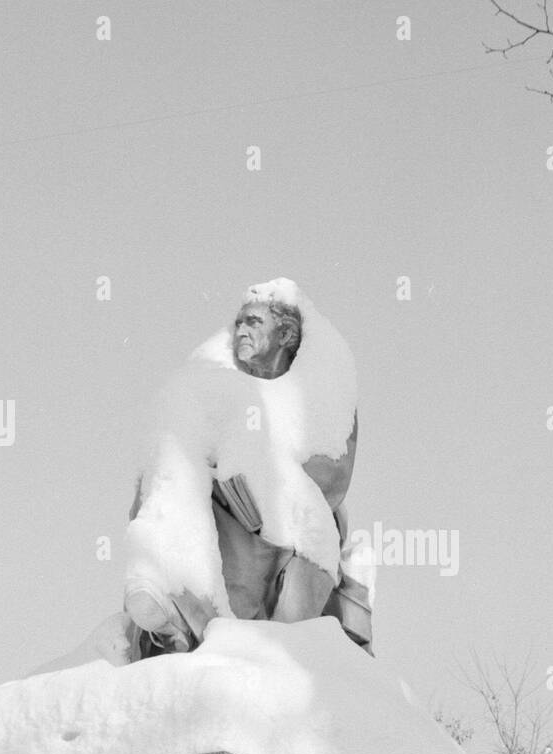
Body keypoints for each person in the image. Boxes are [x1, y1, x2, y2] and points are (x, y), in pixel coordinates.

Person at [124, 281, 371, 656]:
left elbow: (330, 479)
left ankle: (194, 615)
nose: (241, 331)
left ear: (285, 333)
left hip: (296, 522)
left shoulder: (321, 390)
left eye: (254, 322)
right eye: (239, 323)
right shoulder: (220, 387)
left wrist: (250, 470)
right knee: (175, 443)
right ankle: (169, 591)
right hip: (227, 506)